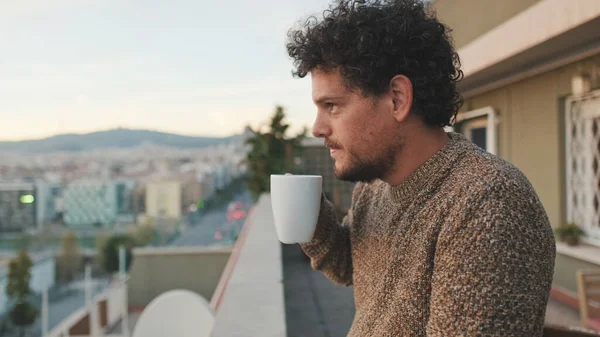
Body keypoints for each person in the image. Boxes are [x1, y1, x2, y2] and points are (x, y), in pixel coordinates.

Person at [285, 0, 556, 336]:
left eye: (332, 106)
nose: (317, 128)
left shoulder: (486, 204)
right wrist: (310, 218)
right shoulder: (374, 188)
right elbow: (349, 266)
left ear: (397, 98)